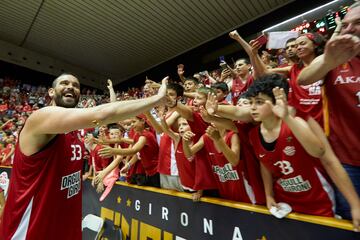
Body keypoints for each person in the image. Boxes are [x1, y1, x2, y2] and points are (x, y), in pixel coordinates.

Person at [0, 73, 168, 239]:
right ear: (51, 92)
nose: (70, 87)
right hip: (32, 231)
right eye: (64, 83)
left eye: (75, 86)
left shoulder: (73, 131)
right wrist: (157, 98)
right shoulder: (41, 117)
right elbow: (102, 115)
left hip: (65, 227)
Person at [297, 2, 360, 223]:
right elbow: (304, 78)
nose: (350, 29)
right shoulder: (336, 56)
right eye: (346, 25)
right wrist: (328, 61)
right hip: (348, 163)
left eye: (358, 23)